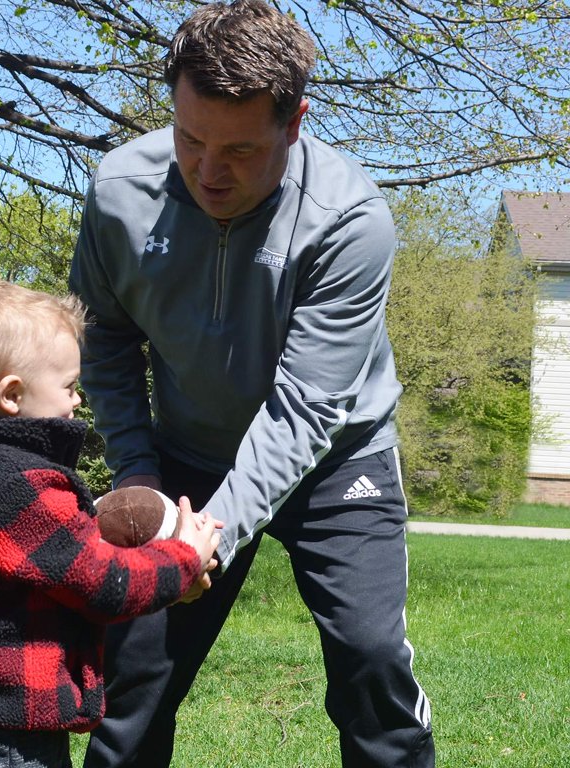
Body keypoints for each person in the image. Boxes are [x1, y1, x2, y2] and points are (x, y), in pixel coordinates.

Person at [69, 1, 436, 766]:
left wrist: (207, 544)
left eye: (238, 150)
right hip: (186, 459)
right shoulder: (117, 194)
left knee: (370, 658)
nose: (208, 171)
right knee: (131, 677)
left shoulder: (349, 221)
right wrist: (138, 482)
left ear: (295, 121)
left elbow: (305, 408)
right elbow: (104, 339)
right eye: (189, 138)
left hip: (339, 459)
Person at [0, 278, 221, 768]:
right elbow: (104, 583)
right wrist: (184, 559)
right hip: (6, 733)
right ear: (12, 394)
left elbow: (66, 561)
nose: (77, 401)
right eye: (68, 386)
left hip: (2, 720)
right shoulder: (19, 488)